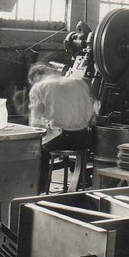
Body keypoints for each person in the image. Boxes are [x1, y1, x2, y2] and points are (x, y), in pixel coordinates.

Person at [28, 63, 96, 192]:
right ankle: (80, 182)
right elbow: (92, 114)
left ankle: (38, 190)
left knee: (36, 148)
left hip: (61, 139)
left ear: (36, 78)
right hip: (83, 139)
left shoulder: (38, 87)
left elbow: (35, 124)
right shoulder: (79, 82)